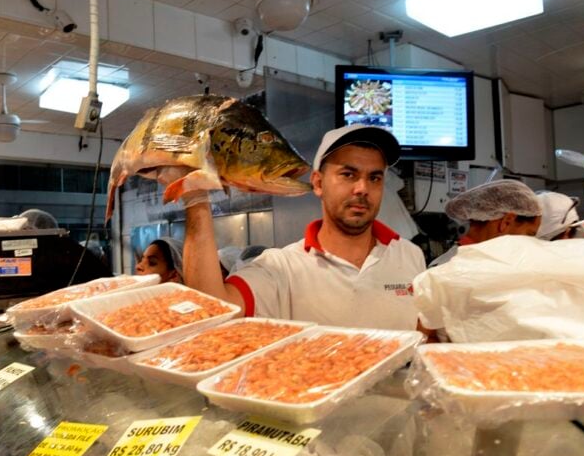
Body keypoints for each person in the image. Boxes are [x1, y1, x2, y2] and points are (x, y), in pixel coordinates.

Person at [181, 125, 427, 330]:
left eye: (374, 177)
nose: (362, 188)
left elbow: (423, 332)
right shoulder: (281, 269)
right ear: (318, 183)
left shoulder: (409, 255)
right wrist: (195, 198)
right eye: (348, 174)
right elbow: (212, 310)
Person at [430, 179, 542, 267]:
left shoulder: (446, 264)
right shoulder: (464, 270)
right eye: (529, 234)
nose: (530, 244)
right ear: (506, 222)